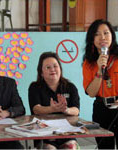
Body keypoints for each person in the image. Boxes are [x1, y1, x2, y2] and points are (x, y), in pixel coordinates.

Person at [28, 52, 80, 150]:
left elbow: (76, 110)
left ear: (60, 69)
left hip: (67, 134)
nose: (52, 69)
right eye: (48, 67)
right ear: (41, 73)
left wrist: (66, 110)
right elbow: (36, 109)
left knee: (71, 147)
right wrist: (52, 109)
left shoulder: (70, 87)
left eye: (55, 66)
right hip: (44, 136)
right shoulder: (35, 87)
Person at [82, 19, 118, 149]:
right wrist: (99, 70)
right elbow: (91, 93)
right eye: (97, 34)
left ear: (112, 36)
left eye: (106, 33)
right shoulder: (88, 63)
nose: (102, 37)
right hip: (101, 108)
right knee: (104, 147)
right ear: (92, 39)